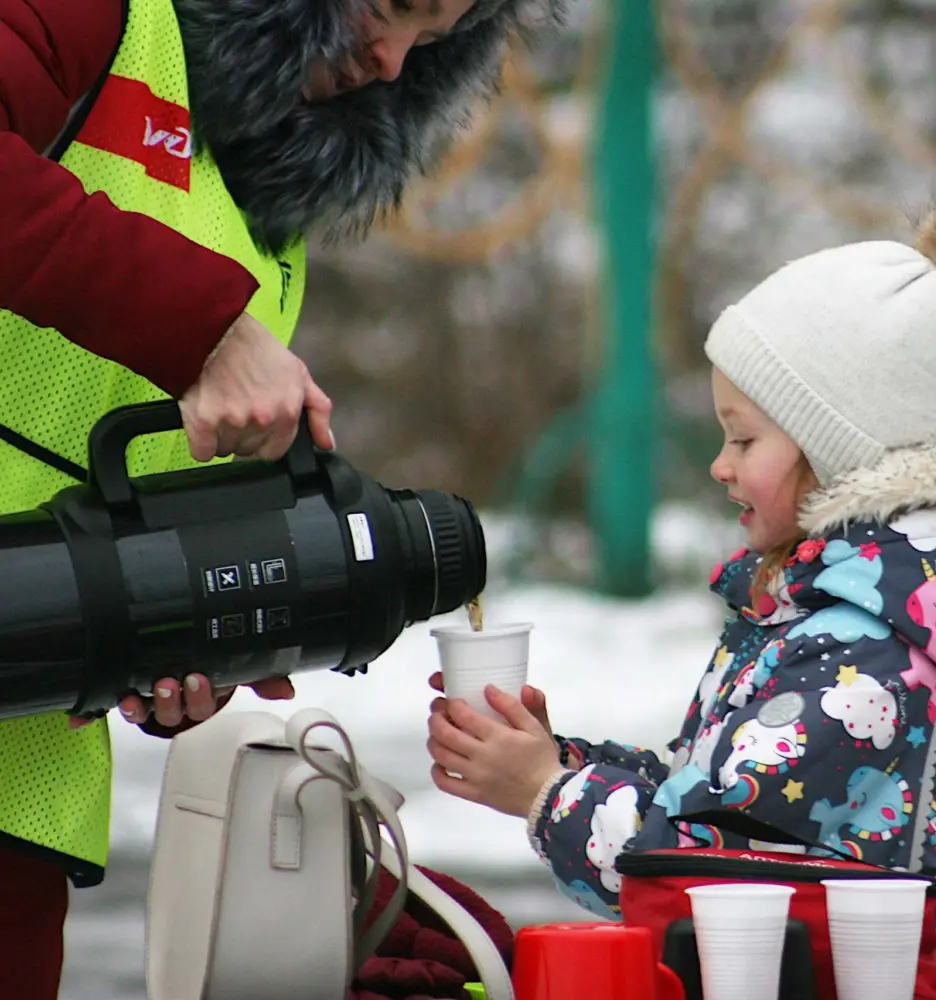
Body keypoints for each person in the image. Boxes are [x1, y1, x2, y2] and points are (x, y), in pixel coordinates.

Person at [0, 0, 546, 992]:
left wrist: (169, 635)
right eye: (390, 8)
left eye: (432, 43)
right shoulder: (105, 21)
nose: (388, 64)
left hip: (22, 767)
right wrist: (199, 327)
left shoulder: (267, 192)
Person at [424, 183, 936, 925]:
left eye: (745, 438)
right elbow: (712, 800)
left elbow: (698, 872)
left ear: (842, 454)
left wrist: (542, 790)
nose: (720, 466)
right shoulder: (831, 618)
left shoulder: (871, 658)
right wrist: (554, 760)